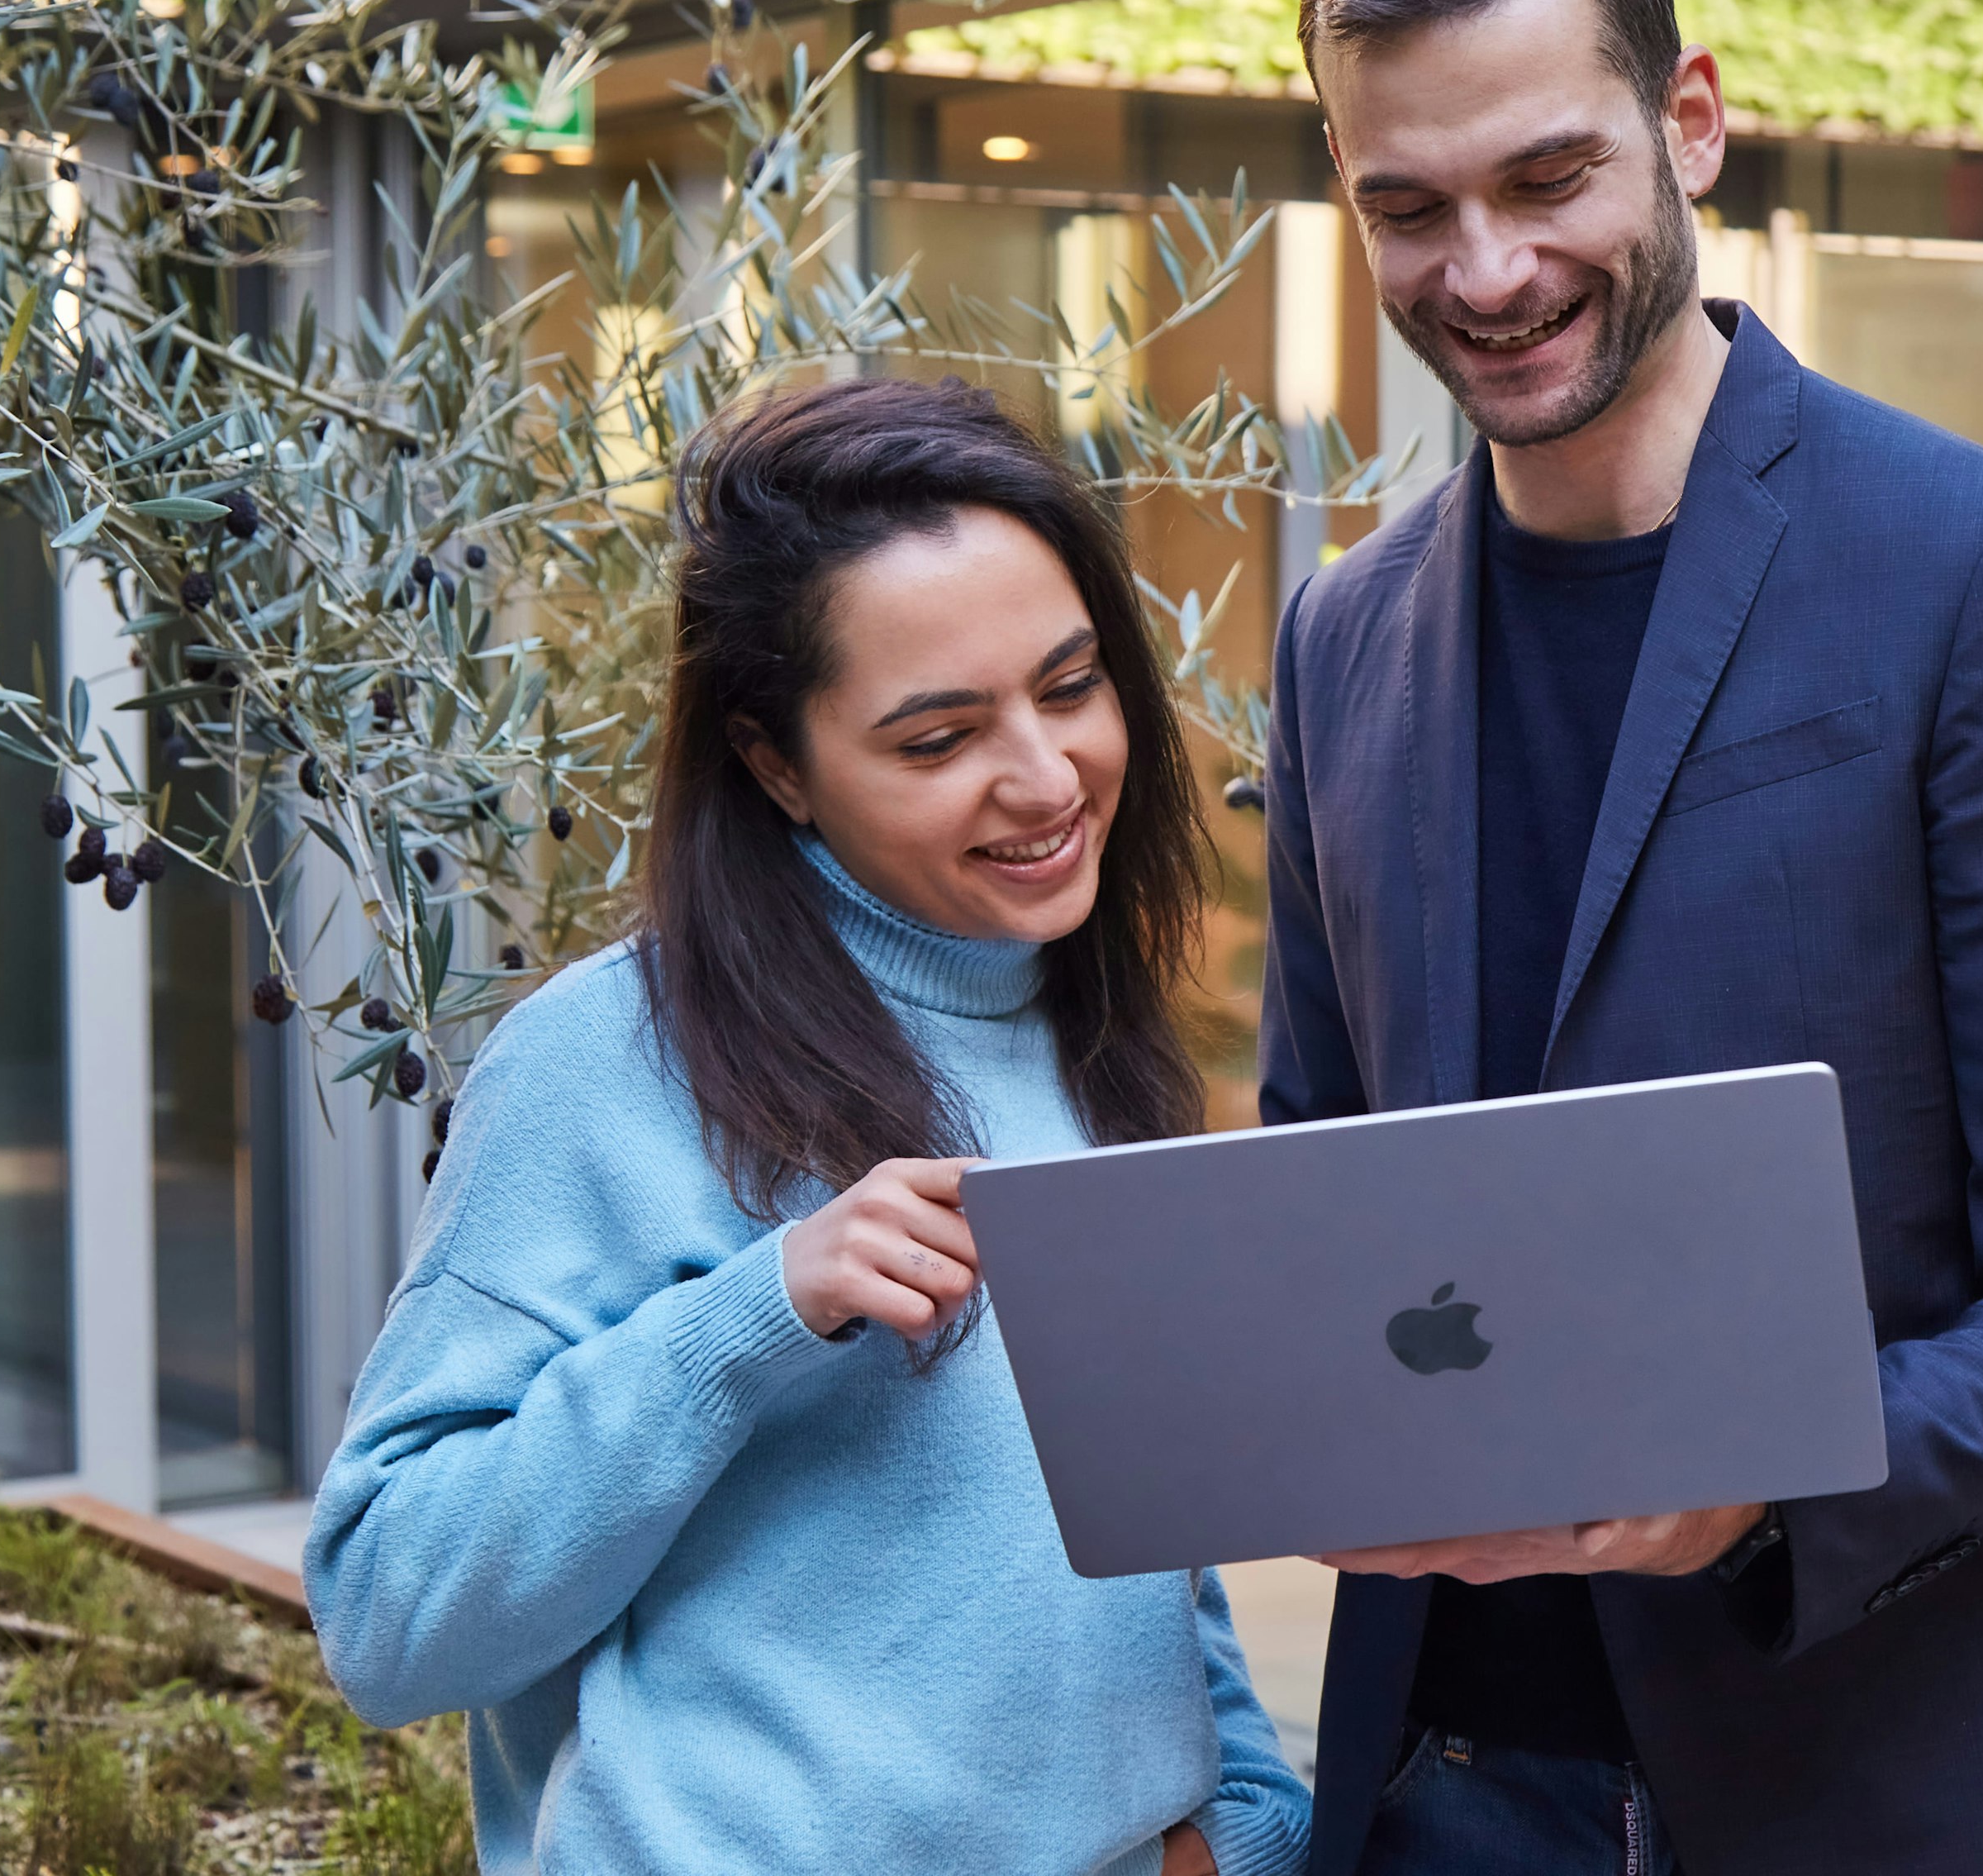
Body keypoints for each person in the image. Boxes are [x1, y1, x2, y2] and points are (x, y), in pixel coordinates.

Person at [1258, 0, 1983, 1876]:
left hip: (1866, 1780)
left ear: (1690, 123)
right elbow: (1325, 1197)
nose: (1484, 273)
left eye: (1545, 179)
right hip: (1430, 1792)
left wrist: (1766, 1481)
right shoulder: (1342, 637)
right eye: (1404, 209)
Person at [306, 380, 1311, 1876]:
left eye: (1073, 685)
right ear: (774, 763)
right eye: (935, 739)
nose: (1044, 779)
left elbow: (1135, 1532)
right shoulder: (606, 1061)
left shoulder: (1087, 1028)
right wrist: (750, 1319)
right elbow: (388, 1616)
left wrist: (1247, 1822)